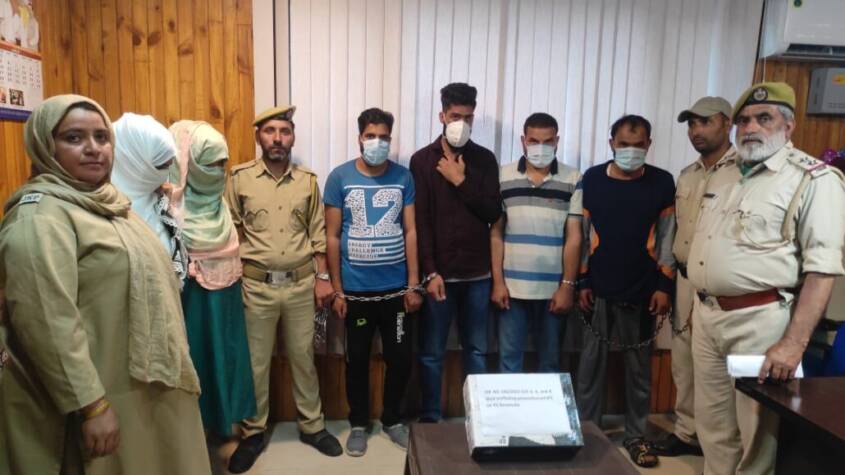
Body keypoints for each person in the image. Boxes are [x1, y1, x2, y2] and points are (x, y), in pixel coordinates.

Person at [0, 94, 209, 474]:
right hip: (98, 394)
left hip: (138, 385)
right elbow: (47, 322)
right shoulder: (42, 218)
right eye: (74, 138)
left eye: (101, 137)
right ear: (45, 145)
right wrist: (92, 406)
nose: (93, 148)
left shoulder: (108, 203)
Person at [688, 82, 845, 475]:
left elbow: (823, 269)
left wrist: (793, 344)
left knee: (757, 434)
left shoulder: (813, 179)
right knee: (713, 427)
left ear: (788, 126)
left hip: (760, 323)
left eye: (764, 118)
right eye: (743, 120)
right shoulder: (723, 174)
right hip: (707, 318)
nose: (750, 127)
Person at [225, 106, 341, 473]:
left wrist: (323, 278)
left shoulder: (307, 181)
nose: (278, 138)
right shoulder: (240, 178)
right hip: (255, 286)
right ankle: (252, 433)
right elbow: (232, 230)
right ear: (258, 136)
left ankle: (312, 426)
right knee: (255, 364)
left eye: (285, 131)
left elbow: (318, 233)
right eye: (270, 131)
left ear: (292, 137)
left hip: (300, 285)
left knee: (304, 357)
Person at [576, 114, 675, 468]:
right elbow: (582, 235)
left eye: (638, 145)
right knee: (590, 368)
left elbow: (668, 237)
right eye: (623, 144)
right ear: (611, 144)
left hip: (643, 290)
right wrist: (582, 281)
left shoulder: (662, 182)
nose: (631, 151)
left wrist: (664, 285)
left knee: (638, 372)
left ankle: (636, 436)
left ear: (648, 145)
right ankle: (588, 434)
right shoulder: (592, 179)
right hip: (597, 289)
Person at [324, 107, 422, 456]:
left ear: (390, 140)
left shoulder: (403, 177)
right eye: (370, 136)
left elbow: (410, 231)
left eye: (383, 137)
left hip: (396, 292)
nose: (377, 142)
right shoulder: (339, 177)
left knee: (401, 359)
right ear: (359, 138)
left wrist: (413, 284)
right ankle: (358, 424)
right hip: (356, 292)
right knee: (357, 360)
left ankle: (392, 420)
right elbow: (332, 236)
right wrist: (337, 290)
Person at [649, 97, 739, 457]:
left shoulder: (745, 171)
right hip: (685, 280)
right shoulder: (687, 174)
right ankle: (688, 433)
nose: (696, 131)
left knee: (718, 369)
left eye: (705, 122)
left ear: (728, 123)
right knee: (683, 361)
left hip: (722, 284)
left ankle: (721, 443)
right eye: (691, 124)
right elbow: (675, 233)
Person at [409, 82, 502, 422]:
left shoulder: (484, 159)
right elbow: (421, 222)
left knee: (476, 351)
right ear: (442, 116)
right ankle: (431, 419)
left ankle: (479, 421)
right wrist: (430, 271)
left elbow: (492, 212)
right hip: (440, 276)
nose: (461, 123)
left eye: (468, 117)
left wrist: (461, 181)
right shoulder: (422, 160)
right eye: (455, 116)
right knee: (432, 353)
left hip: (478, 274)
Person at [168, 120, 257, 438]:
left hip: (225, 300)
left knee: (225, 357)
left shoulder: (222, 206)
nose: (218, 171)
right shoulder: (169, 212)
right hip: (189, 302)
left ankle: (223, 426)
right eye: (210, 164)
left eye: (222, 163)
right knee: (197, 359)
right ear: (189, 163)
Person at [491, 112, 582, 373]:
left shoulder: (573, 178)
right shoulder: (502, 176)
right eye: (533, 141)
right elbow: (496, 233)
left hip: (554, 290)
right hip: (511, 289)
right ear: (523, 141)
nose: (540, 147)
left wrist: (567, 287)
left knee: (550, 363)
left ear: (557, 141)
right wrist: (498, 282)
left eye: (547, 141)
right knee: (509, 362)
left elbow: (575, 237)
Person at [110, 112, 187, 280]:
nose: (163, 176)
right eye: (159, 167)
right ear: (131, 161)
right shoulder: (101, 214)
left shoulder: (161, 202)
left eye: (168, 166)